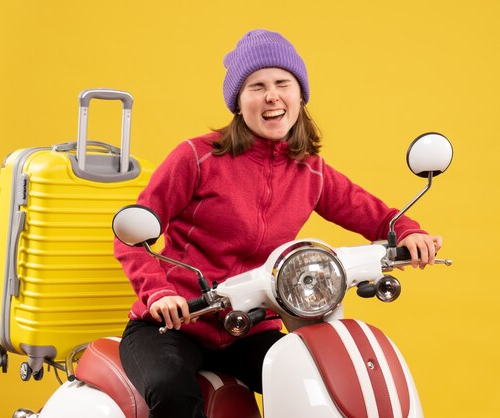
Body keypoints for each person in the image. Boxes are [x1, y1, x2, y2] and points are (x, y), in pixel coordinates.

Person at [115, 28, 442, 418]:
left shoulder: (311, 171)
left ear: (299, 96)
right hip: (176, 324)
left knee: (319, 381)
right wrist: (159, 294)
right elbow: (132, 237)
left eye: (282, 83)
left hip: (251, 326)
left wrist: (408, 231)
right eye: (257, 86)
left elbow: (371, 212)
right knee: (172, 391)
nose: (272, 95)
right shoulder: (196, 157)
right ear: (238, 102)